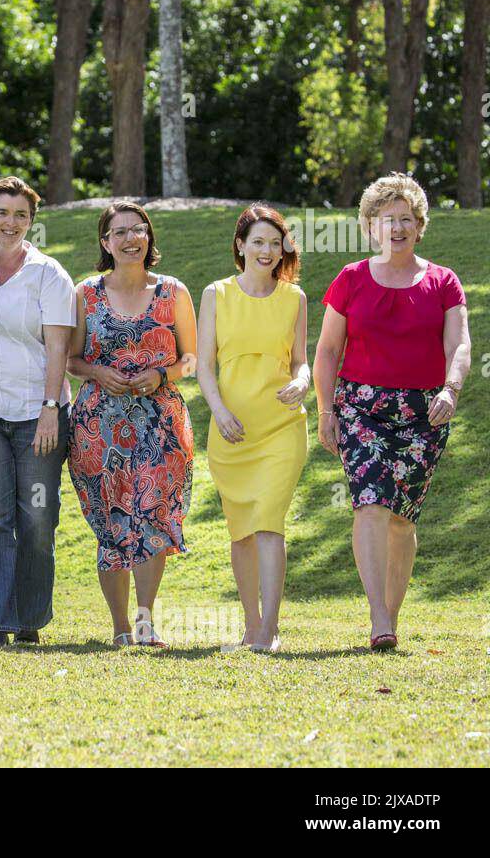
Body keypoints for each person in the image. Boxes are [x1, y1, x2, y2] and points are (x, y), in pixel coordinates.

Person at [314, 173, 470, 652]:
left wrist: (452, 388)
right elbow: (326, 351)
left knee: (402, 519)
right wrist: (325, 411)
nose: (397, 228)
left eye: (406, 219)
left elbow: (460, 343)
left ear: (419, 226)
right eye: (388, 220)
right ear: (371, 227)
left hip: (426, 411)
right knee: (370, 502)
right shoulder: (351, 280)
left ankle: (391, 614)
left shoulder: (444, 282)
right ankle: (378, 618)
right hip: (362, 406)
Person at [66, 202, 197, 647]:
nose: (129, 239)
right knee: (113, 519)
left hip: (160, 422)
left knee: (153, 514)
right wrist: (99, 373)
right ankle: (119, 626)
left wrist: (161, 374)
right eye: (118, 232)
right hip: (98, 427)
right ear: (105, 242)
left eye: (138, 230)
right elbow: (71, 359)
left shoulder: (172, 291)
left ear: (149, 237)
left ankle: (145, 621)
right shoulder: (86, 293)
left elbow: (191, 358)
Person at [0, 176, 75, 647]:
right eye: (2, 213)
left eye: (21, 215)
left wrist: (50, 409)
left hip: (37, 414)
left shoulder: (49, 275)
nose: (11, 223)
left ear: (31, 221)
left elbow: (58, 348)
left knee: (38, 518)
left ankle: (29, 618)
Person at [197, 205, 308, 652]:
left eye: (274, 243)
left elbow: (300, 359)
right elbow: (204, 366)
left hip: (281, 428)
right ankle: (250, 624)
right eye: (258, 242)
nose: (267, 250)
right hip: (232, 431)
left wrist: (302, 381)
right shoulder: (216, 294)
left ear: (284, 250)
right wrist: (219, 412)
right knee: (241, 529)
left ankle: (271, 628)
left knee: (268, 521)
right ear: (240, 246)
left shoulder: (294, 299)